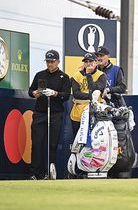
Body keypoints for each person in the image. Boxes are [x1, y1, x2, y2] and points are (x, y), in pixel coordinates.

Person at [28, 50, 71, 180]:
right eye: (47, 61)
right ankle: (35, 173)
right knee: (37, 143)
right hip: (40, 113)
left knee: (51, 144)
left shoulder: (64, 77)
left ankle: (48, 172)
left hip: (55, 114)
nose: (50, 64)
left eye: (52, 62)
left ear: (58, 61)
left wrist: (55, 93)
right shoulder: (40, 75)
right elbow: (30, 91)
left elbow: (66, 96)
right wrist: (34, 93)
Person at [70, 52, 106, 138]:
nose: (88, 63)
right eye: (86, 61)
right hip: (78, 113)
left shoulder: (101, 75)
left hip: (95, 113)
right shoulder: (77, 75)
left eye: (91, 61)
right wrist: (91, 96)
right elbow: (76, 94)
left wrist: (88, 75)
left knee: (95, 140)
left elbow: (95, 89)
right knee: (78, 140)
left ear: (96, 62)